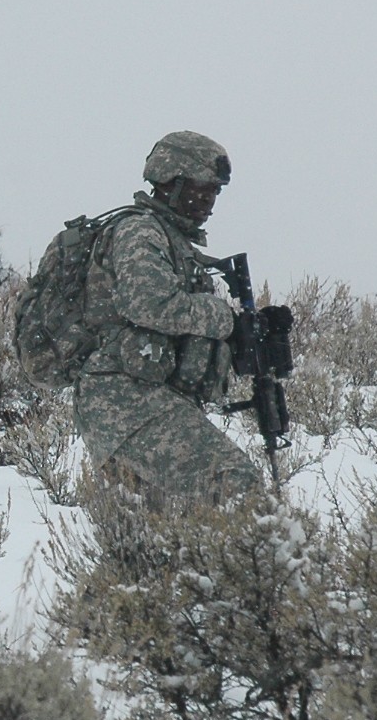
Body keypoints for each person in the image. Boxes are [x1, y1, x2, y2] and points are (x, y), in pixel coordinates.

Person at [74, 130, 266, 506]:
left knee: (173, 532)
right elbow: (150, 305)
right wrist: (223, 318)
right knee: (236, 491)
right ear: (171, 182)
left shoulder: (170, 240)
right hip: (124, 403)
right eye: (201, 188)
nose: (209, 200)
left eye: (215, 192)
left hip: (143, 402)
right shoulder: (139, 231)